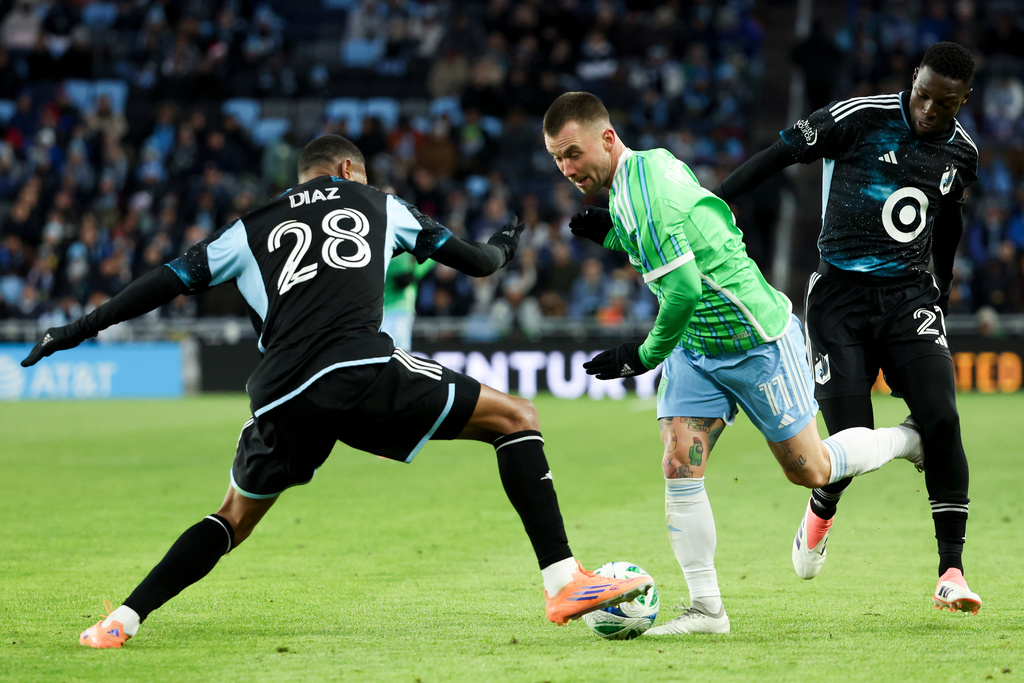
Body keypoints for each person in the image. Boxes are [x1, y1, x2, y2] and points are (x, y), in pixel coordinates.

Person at [21, 134, 653, 649]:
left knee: (231, 518)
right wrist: (504, 246)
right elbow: (480, 265)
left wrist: (77, 329)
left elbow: (160, 282)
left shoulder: (248, 228)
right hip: (354, 369)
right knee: (516, 416)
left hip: (277, 394)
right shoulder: (380, 204)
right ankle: (564, 581)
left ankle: (120, 622)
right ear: (349, 169)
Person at [542, 92, 924, 636]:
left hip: (757, 342)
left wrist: (640, 356)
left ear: (606, 139)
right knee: (679, 464)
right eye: (557, 159)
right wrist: (612, 234)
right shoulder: (645, 171)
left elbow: (682, 290)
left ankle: (909, 441)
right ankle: (706, 610)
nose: (566, 168)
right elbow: (686, 241)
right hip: (699, 350)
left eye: (572, 153)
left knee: (810, 471)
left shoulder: (646, 195)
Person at [713, 42, 981, 615]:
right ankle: (822, 507)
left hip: (908, 297)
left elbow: (951, 217)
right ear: (914, 78)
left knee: (943, 417)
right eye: (923, 94)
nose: (928, 110)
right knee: (849, 442)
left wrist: (945, 288)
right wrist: (710, 204)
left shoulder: (961, 154)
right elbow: (778, 154)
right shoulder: (858, 118)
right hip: (839, 300)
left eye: (944, 103)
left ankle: (951, 571)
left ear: (964, 100)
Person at [381, 250, 434, 350]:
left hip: (400, 303)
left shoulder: (407, 235)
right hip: (376, 303)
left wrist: (414, 273)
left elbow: (434, 247)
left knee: (398, 350)